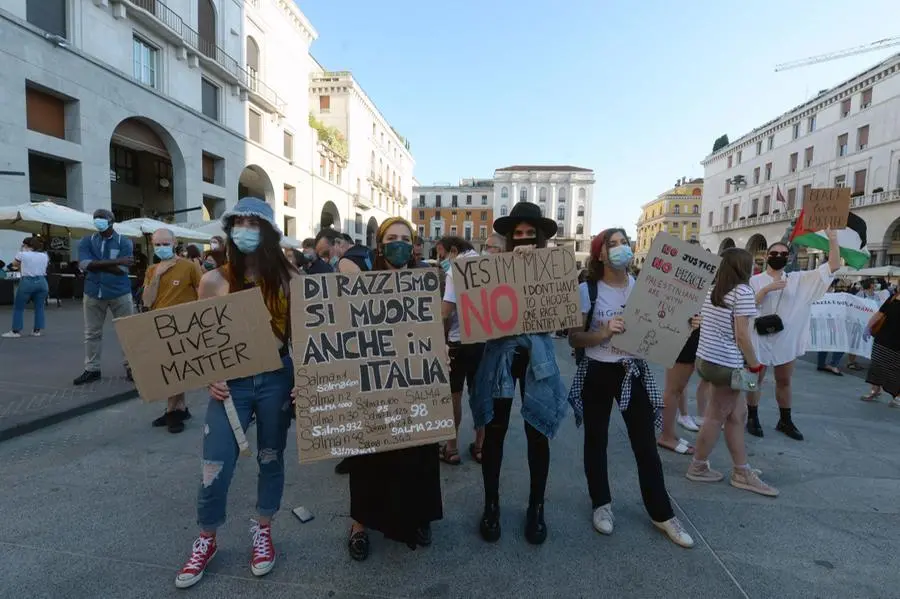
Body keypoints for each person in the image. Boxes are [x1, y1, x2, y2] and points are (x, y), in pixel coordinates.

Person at [175, 197, 298, 589]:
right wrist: (209, 375)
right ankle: (206, 538)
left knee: (271, 456)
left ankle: (264, 529)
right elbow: (202, 339)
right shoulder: (214, 281)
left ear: (269, 232)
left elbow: (307, 336)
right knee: (215, 463)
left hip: (277, 375)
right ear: (230, 230)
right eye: (239, 222)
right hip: (231, 385)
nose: (245, 229)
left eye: (254, 223)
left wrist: (305, 381)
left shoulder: (290, 278)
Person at [567, 228, 693, 548]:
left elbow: (662, 329)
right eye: (613, 244)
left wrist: (687, 325)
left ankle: (662, 513)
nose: (621, 248)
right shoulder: (587, 291)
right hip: (597, 371)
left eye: (624, 243)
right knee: (596, 441)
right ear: (600, 254)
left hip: (633, 372)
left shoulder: (645, 288)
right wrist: (603, 333)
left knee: (645, 446)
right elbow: (574, 338)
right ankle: (601, 504)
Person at [332, 216, 442, 561]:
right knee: (368, 458)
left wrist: (439, 357)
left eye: (405, 239)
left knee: (418, 455)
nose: (399, 243)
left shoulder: (426, 281)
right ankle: (359, 525)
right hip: (372, 384)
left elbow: (436, 325)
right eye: (392, 237)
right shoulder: (360, 281)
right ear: (380, 245)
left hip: (415, 381)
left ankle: (419, 517)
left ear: (413, 246)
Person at [472, 202, 568, 546]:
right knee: (494, 433)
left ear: (540, 239)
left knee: (537, 433)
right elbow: (477, 312)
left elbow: (567, 319)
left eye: (531, 233)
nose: (525, 239)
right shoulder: (492, 268)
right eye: (518, 234)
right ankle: (491, 504)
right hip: (500, 354)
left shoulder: (555, 271)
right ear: (510, 239)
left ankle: (536, 507)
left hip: (537, 356)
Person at [686, 248, 778, 497]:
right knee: (717, 415)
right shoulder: (743, 292)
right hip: (731, 365)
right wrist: (755, 366)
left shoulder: (713, 291)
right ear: (743, 267)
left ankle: (741, 469)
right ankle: (699, 465)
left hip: (708, 361)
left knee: (738, 413)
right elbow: (742, 335)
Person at [746, 231, 840, 440]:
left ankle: (785, 420)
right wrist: (767, 289)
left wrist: (833, 239)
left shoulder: (798, 279)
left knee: (784, 380)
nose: (778, 256)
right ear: (766, 256)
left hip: (785, 338)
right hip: (757, 337)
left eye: (783, 253)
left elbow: (833, 266)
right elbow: (745, 308)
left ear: (788, 257)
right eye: (774, 252)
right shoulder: (754, 281)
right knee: (754, 380)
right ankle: (752, 416)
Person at [143, 228, 202, 433]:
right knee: (173, 368)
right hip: (160, 325)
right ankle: (181, 408)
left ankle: (171, 412)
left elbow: (203, 293)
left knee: (176, 369)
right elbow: (147, 301)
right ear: (152, 244)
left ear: (174, 242)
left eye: (165, 243)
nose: (162, 248)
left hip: (185, 325)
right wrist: (157, 276)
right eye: (157, 244)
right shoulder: (151, 270)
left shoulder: (188, 267)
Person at [436, 235, 484, 465]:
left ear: (453, 250)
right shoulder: (486, 265)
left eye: (442, 255)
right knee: (480, 394)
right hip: (483, 342)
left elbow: (446, 311)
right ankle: (481, 445)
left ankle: (452, 448)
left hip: (458, 342)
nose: (440, 260)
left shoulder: (456, 269)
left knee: (454, 396)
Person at [74, 209, 135, 385]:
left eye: (102, 218)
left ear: (111, 221)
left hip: (120, 292)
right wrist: (116, 261)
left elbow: (122, 271)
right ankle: (92, 369)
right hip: (93, 292)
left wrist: (96, 264)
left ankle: (131, 367)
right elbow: (84, 264)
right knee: (92, 332)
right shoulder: (86, 241)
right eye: (96, 218)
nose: (98, 221)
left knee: (127, 332)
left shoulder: (124, 242)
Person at [657, 315, 702, 454]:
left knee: (678, 388)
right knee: (674, 389)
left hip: (689, 330)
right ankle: (666, 436)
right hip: (682, 332)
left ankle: (669, 432)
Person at [2, 237, 50, 338]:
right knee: (39, 307)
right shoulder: (44, 255)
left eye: (23, 245)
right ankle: (37, 331)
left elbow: (13, 265)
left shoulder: (22, 254)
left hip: (27, 281)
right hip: (42, 281)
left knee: (19, 306)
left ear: (27, 245)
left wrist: (9, 267)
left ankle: (15, 331)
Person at [861, 291, 900, 406]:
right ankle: (875, 390)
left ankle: (898, 396)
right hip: (883, 337)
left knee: (897, 368)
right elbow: (880, 313)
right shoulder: (894, 297)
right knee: (877, 364)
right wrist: (868, 326)